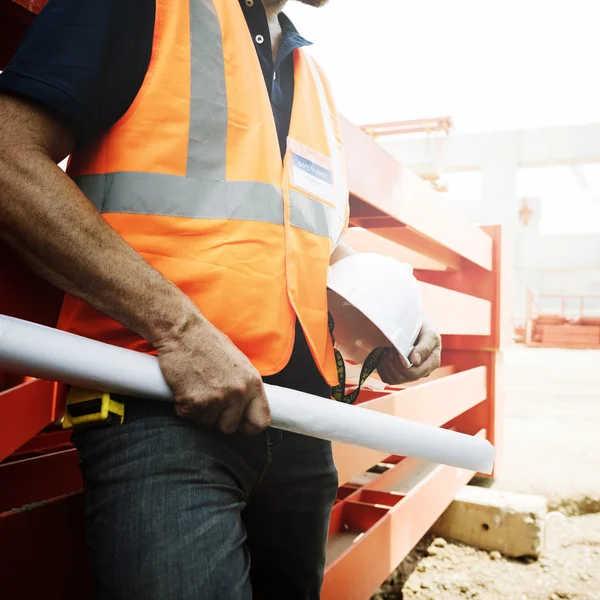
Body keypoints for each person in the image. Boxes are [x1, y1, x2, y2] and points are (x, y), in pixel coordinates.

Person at [0, 0, 442, 598]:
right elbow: (10, 158)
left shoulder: (310, 76)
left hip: (299, 424)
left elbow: (303, 236)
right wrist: (179, 330)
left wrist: (390, 319)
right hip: (162, 407)